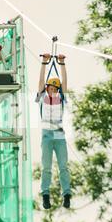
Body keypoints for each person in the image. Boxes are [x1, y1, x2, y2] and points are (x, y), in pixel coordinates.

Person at [36, 54, 71, 210]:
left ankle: (67, 194)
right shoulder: (42, 97)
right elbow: (40, 81)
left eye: (54, 88)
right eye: (50, 88)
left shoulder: (61, 97)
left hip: (59, 135)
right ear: (47, 88)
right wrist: (44, 62)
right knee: (47, 167)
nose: (52, 90)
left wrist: (61, 63)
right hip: (47, 136)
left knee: (63, 166)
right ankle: (45, 194)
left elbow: (65, 82)